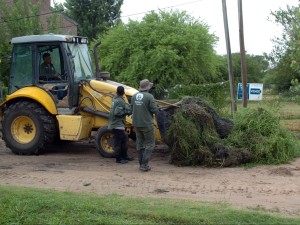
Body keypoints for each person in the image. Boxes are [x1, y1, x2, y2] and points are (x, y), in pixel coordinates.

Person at [131, 79, 158, 172]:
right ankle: (144, 164)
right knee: (150, 144)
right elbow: (154, 110)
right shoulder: (150, 97)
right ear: (148, 87)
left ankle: (141, 164)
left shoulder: (134, 96)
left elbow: (132, 108)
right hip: (147, 124)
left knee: (140, 144)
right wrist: (157, 107)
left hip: (136, 124)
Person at [108, 86, 133, 164]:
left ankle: (124, 156)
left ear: (117, 92)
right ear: (123, 93)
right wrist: (126, 112)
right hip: (118, 124)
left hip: (115, 124)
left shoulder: (115, 100)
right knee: (119, 142)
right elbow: (117, 113)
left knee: (122, 141)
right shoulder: (120, 101)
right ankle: (119, 159)